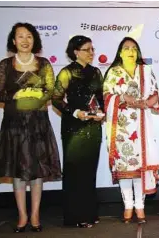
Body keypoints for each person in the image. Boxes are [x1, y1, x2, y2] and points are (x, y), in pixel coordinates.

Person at [0, 22, 61, 232]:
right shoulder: (5, 64)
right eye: (20, 36)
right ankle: (22, 216)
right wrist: (17, 95)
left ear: (34, 40)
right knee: (18, 171)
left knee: (38, 171)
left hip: (38, 123)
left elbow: (51, 91)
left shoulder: (44, 63)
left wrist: (37, 96)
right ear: (13, 41)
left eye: (29, 36)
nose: (24, 40)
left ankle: (35, 215)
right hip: (14, 124)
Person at [103, 37, 159, 224]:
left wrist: (147, 102)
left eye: (134, 48)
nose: (130, 51)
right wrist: (123, 98)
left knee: (140, 168)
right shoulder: (113, 72)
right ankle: (128, 205)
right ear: (120, 52)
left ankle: (140, 207)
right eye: (126, 48)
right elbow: (106, 97)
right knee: (124, 169)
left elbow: (155, 95)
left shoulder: (146, 71)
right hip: (120, 128)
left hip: (141, 126)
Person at [52, 35, 104, 228]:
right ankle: (75, 216)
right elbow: (56, 99)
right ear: (75, 51)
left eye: (92, 49)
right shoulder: (66, 73)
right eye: (87, 50)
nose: (91, 53)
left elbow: (101, 98)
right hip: (73, 127)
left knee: (90, 170)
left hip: (93, 126)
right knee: (74, 172)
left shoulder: (96, 72)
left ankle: (90, 213)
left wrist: (101, 112)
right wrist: (74, 112)